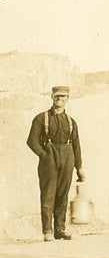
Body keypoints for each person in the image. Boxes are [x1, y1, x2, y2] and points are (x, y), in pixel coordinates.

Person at [27, 85, 84, 241]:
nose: (60, 99)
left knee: (62, 195)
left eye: (63, 97)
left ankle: (60, 229)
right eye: (57, 96)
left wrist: (79, 167)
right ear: (52, 97)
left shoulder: (71, 122)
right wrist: (45, 155)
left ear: (67, 99)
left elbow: (76, 145)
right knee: (48, 195)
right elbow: (32, 141)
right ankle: (48, 231)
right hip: (49, 159)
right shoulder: (41, 118)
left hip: (68, 157)